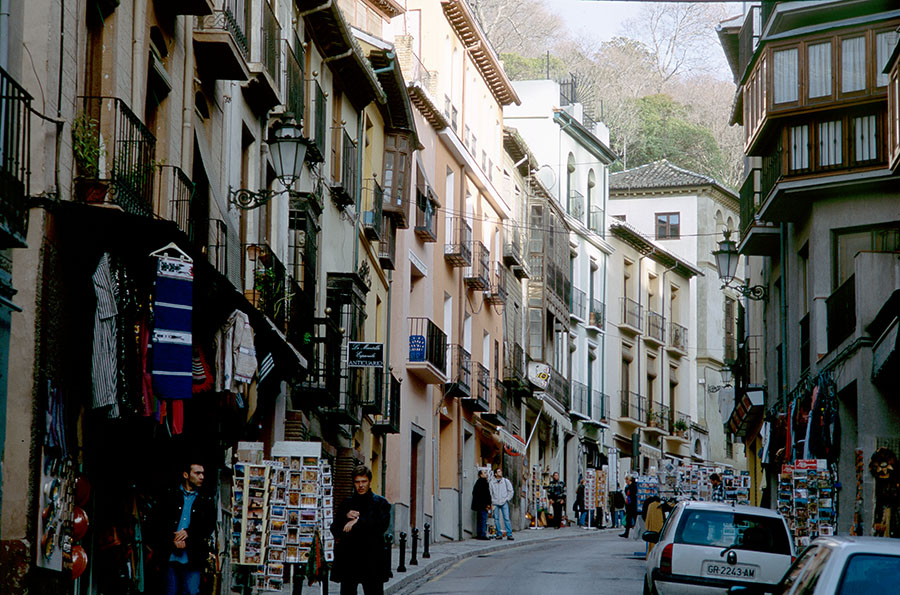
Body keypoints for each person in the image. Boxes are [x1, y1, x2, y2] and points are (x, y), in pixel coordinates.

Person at [330, 465, 391, 595]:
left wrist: (358, 521)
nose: (360, 485)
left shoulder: (380, 503)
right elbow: (335, 528)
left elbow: (380, 526)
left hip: (372, 560)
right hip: (349, 560)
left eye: (364, 481)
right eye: (357, 482)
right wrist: (346, 517)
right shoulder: (346, 503)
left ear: (369, 482)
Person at [159, 461, 214, 595]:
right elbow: (158, 523)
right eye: (197, 473)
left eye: (203, 473)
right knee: (169, 591)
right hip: (170, 554)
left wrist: (188, 534)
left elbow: (208, 526)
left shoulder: (205, 500)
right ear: (186, 475)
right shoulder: (170, 496)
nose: (202, 477)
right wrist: (173, 539)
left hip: (193, 556)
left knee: (191, 591)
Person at [489, 467, 514, 540]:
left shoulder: (506, 481)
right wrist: (492, 500)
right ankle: (498, 534)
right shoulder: (492, 483)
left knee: (506, 518)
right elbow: (490, 493)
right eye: (499, 472)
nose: (501, 473)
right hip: (495, 502)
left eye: (501, 471)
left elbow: (511, 491)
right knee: (496, 519)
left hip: (504, 501)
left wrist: (507, 499)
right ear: (495, 474)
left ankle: (509, 534)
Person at [471, 469, 491, 540]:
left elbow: (474, 493)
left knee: (479, 519)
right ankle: (483, 534)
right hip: (483, 505)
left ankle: (479, 534)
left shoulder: (477, 483)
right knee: (483, 519)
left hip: (478, 505)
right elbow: (486, 494)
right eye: (484, 473)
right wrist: (488, 503)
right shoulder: (484, 482)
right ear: (481, 475)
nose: (486, 474)